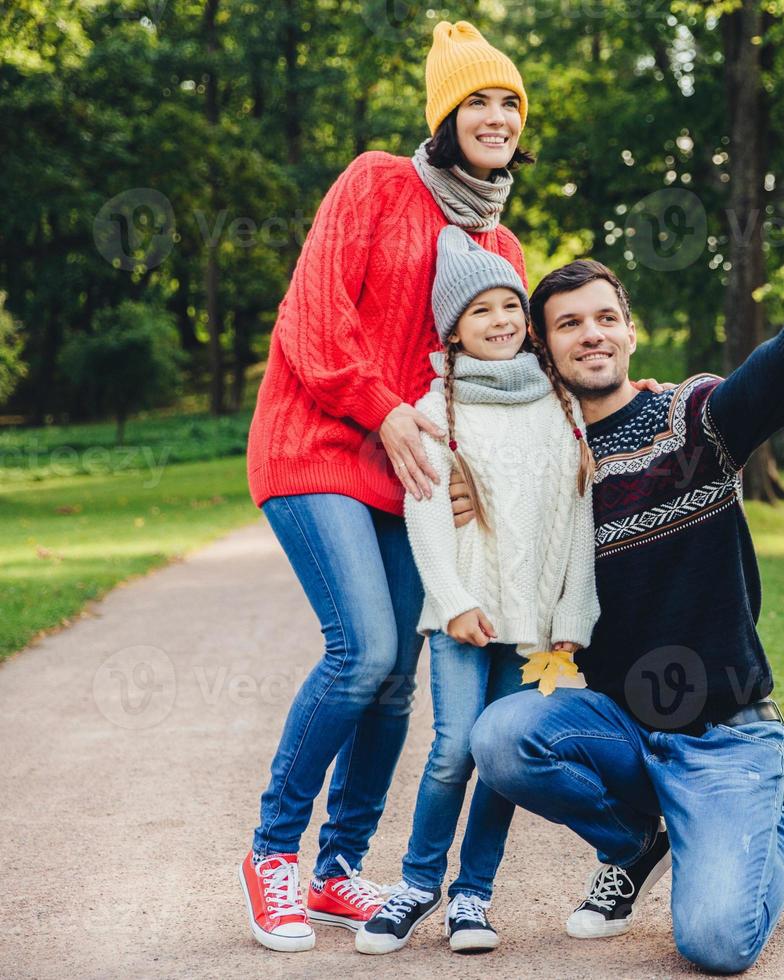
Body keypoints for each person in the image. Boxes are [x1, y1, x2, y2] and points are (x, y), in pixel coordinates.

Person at [465, 259, 784, 973]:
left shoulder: (687, 419)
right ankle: (634, 844)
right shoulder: (544, 465)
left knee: (715, 944)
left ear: (629, 330)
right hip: (621, 727)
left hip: (723, 736)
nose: (590, 335)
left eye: (604, 318)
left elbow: (752, 397)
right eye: (568, 324)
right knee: (501, 738)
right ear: (542, 345)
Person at [237, 20, 536, 953]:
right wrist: (387, 410)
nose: (496, 116)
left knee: (400, 679)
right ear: (445, 116)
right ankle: (273, 852)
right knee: (362, 650)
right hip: (317, 442)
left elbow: (508, 380)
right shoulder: (376, 181)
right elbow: (313, 321)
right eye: (478, 100)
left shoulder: (504, 247)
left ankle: (336, 871)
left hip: (415, 479)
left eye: (511, 103)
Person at [354, 226, 599, 956]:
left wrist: (573, 615)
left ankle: (473, 896)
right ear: (453, 331)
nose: (500, 321)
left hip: (537, 628)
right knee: (453, 750)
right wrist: (454, 600)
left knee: (499, 757)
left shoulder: (561, 405)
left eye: (509, 307)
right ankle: (418, 882)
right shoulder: (437, 406)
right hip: (468, 618)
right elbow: (423, 511)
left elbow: (580, 516)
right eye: (480, 311)